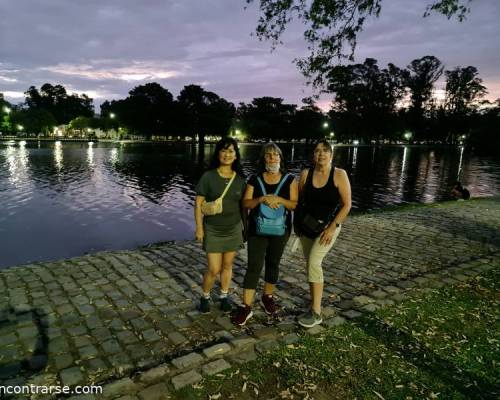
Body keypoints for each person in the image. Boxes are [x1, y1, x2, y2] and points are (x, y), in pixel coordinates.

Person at [231, 142, 298, 326]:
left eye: (275, 155)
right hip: (256, 230)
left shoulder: (290, 180)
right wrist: (261, 199)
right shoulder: (254, 179)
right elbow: (246, 203)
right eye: (268, 155)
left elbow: (294, 204)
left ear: (280, 158)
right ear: (263, 159)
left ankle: (267, 296)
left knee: (273, 263)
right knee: (254, 265)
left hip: (280, 229)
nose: (272, 158)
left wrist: (279, 200)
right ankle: (246, 307)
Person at [295, 140, 351, 328]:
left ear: (331, 154)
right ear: (313, 155)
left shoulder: (339, 174)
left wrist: (332, 227)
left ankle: (316, 313)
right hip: (307, 227)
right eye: (318, 151)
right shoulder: (305, 174)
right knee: (310, 265)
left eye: (325, 150)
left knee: (314, 262)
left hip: (329, 228)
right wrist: (296, 224)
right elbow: (300, 201)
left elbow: (347, 205)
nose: (321, 154)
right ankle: (313, 304)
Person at [194, 137, 246, 313]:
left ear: (236, 156)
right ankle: (205, 296)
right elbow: (198, 203)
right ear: (218, 154)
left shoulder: (240, 179)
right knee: (214, 268)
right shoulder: (208, 177)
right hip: (213, 229)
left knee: (227, 266)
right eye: (223, 151)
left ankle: (224, 295)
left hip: (233, 228)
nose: (227, 154)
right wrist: (199, 228)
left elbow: (244, 205)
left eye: (231, 151)